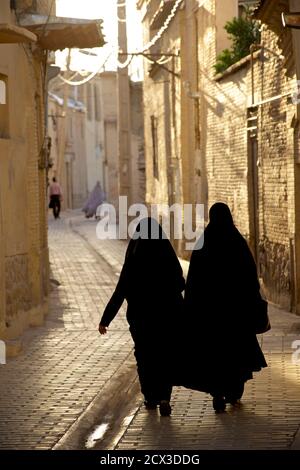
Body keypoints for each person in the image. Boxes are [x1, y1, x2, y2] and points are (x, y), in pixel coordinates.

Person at [183, 202, 267, 412]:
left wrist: (191, 308)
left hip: (210, 314)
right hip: (236, 314)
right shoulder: (236, 242)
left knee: (214, 354)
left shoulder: (203, 243)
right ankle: (233, 392)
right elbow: (250, 276)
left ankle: (217, 393)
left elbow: (193, 281)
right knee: (235, 352)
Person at [99, 217, 185, 416]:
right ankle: (164, 397)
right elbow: (179, 282)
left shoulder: (135, 255)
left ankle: (150, 396)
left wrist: (106, 319)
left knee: (145, 356)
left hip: (141, 318)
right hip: (166, 316)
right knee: (164, 355)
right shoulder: (165, 251)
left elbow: (121, 289)